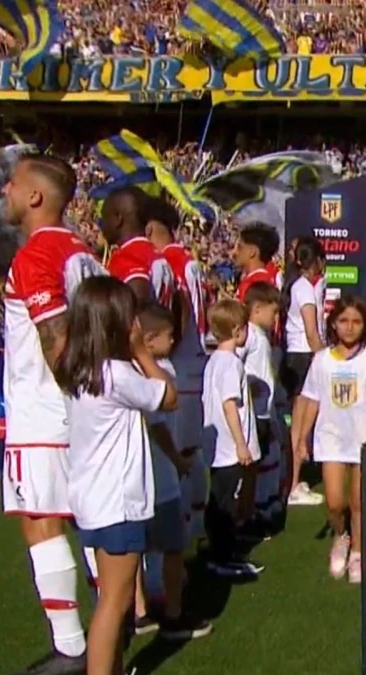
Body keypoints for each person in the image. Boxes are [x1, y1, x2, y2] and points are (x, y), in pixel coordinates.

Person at [1, 154, 106, 675]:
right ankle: (113, 631)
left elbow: (56, 340)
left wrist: (70, 400)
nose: (5, 191)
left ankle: (71, 649)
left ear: (35, 196)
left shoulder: (35, 256)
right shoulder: (84, 253)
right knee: (90, 523)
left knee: (42, 524)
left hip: (45, 414)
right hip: (84, 416)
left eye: (13, 184)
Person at [53, 276, 179, 675]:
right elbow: (167, 395)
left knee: (111, 597)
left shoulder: (77, 369)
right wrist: (143, 353)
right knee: (115, 601)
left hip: (92, 497)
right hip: (118, 500)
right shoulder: (116, 374)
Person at [133, 303, 213, 641]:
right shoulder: (156, 373)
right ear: (150, 340)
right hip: (161, 475)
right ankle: (173, 613)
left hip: (136, 475)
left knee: (137, 548)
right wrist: (178, 460)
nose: (173, 341)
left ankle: (139, 611)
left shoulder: (128, 371)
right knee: (173, 545)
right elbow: (158, 426)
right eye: (169, 336)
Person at [296, 295, 366, 585]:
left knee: (359, 501)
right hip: (330, 438)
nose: (350, 327)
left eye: (356, 321)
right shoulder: (321, 360)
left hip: (362, 437)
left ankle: (358, 550)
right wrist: (302, 438)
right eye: (343, 320)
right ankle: (341, 536)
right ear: (333, 323)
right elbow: (312, 400)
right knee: (334, 501)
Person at [145, 197, 211, 542]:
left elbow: (181, 309)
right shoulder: (188, 259)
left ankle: (184, 531)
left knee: (176, 453)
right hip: (194, 363)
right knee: (189, 450)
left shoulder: (167, 260)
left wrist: (165, 343)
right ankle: (195, 524)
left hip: (180, 364)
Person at [201, 299, 263, 578]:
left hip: (218, 446)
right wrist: (241, 444)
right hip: (228, 447)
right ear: (238, 330)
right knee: (224, 502)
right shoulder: (230, 364)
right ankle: (223, 555)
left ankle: (222, 550)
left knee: (220, 498)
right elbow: (229, 404)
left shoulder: (214, 360)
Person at [281, 238, 327, 507]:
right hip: (303, 357)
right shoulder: (305, 289)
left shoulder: (298, 285)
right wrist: (324, 358)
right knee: (299, 425)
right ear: (317, 260)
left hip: (297, 356)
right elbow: (311, 331)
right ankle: (293, 484)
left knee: (299, 424)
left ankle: (294, 481)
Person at [239, 282, 284, 536]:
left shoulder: (261, 336)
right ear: (256, 309)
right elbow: (234, 360)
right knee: (255, 465)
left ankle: (263, 508)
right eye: (273, 312)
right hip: (255, 414)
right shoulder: (251, 335)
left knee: (267, 460)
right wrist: (245, 385)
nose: (275, 318)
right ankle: (252, 513)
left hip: (265, 411)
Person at [101, 187, 175, 307]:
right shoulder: (154, 254)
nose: (102, 226)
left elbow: (138, 295)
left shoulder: (129, 255)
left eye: (104, 218)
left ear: (118, 219)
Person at [233, 223, 281, 302]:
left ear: (252, 252)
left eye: (240, 247)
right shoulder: (258, 280)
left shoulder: (256, 285)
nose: (234, 252)